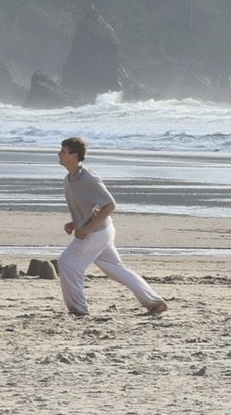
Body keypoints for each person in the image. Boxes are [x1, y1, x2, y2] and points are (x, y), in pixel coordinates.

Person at [55, 136, 167, 318]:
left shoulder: (88, 178)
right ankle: (154, 302)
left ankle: (78, 309)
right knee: (116, 269)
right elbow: (88, 206)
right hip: (101, 231)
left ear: (74, 156)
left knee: (67, 263)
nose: (59, 154)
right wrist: (75, 223)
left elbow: (110, 205)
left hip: (97, 232)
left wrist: (87, 228)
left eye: (63, 151)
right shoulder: (69, 178)